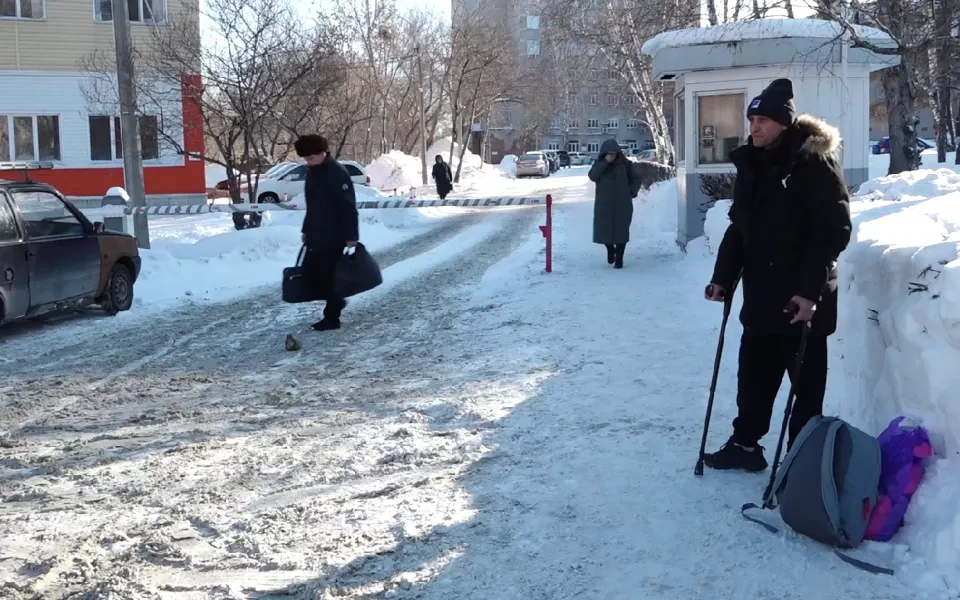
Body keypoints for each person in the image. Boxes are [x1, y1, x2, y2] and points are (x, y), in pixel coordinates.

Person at [703, 78, 852, 472]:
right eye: (752, 118)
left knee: (805, 392)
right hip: (762, 296)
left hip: (800, 302)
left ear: (784, 124)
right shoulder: (752, 165)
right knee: (753, 381)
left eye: (764, 119)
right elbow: (739, 228)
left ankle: (799, 463)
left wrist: (809, 292)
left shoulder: (813, 162)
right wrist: (723, 277)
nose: (755, 126)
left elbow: (833, 230)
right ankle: (746, 446)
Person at [295, 134, 359, 332]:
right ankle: (336, 301)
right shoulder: (314, 172)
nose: (309, 162)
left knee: (330, 275)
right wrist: (306, 229)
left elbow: (348, 207)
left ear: (322, 153)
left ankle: (332, 317)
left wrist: (351, 235)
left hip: (334, 233)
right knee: (315, 274)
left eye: (311, 158)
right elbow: (312, 205)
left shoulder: (336, 173)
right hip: (316, 232)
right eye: (306, 159)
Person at [589, 139, 641, 268]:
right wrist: (605, 162)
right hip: (604, 203)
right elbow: (593, 176)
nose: (612, 155)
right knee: (604, 229)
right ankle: (610, 249)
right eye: (609, 153)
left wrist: (631, 191)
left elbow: (636, 179)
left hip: (623, 203)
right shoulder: (600, 164)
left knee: (621, 230)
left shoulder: (626, 164)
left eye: (614, 153)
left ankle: (620, 260)